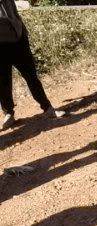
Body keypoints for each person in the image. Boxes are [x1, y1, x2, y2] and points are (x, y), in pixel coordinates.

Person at [1, 0, 65, 129]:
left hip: (19, 40)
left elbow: (14, 13)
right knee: (3, 81)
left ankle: (47, 108)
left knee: (31, 76)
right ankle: (8, 113)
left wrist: (23, 32)